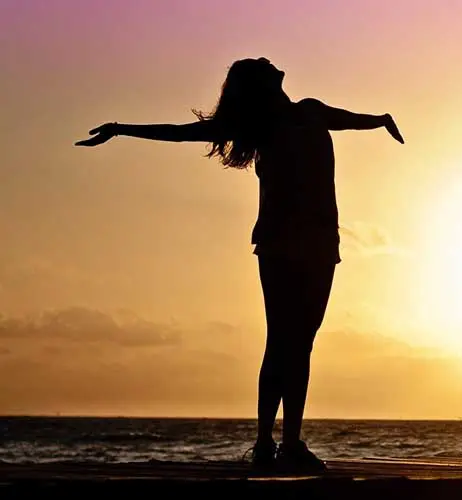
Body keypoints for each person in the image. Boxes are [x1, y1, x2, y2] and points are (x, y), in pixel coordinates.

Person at [75, 57, 405, 472]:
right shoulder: (258, 125)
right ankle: (270, 442)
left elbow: (352, 121)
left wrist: (381, 120)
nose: (269, 60)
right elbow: (181, 133)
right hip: (281, 242)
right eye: (260, 65)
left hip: (321, 242)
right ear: (259, 85)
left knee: (299, 343)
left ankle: (286, 443)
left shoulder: (311, 111)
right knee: (283, 341)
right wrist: (121, 129)